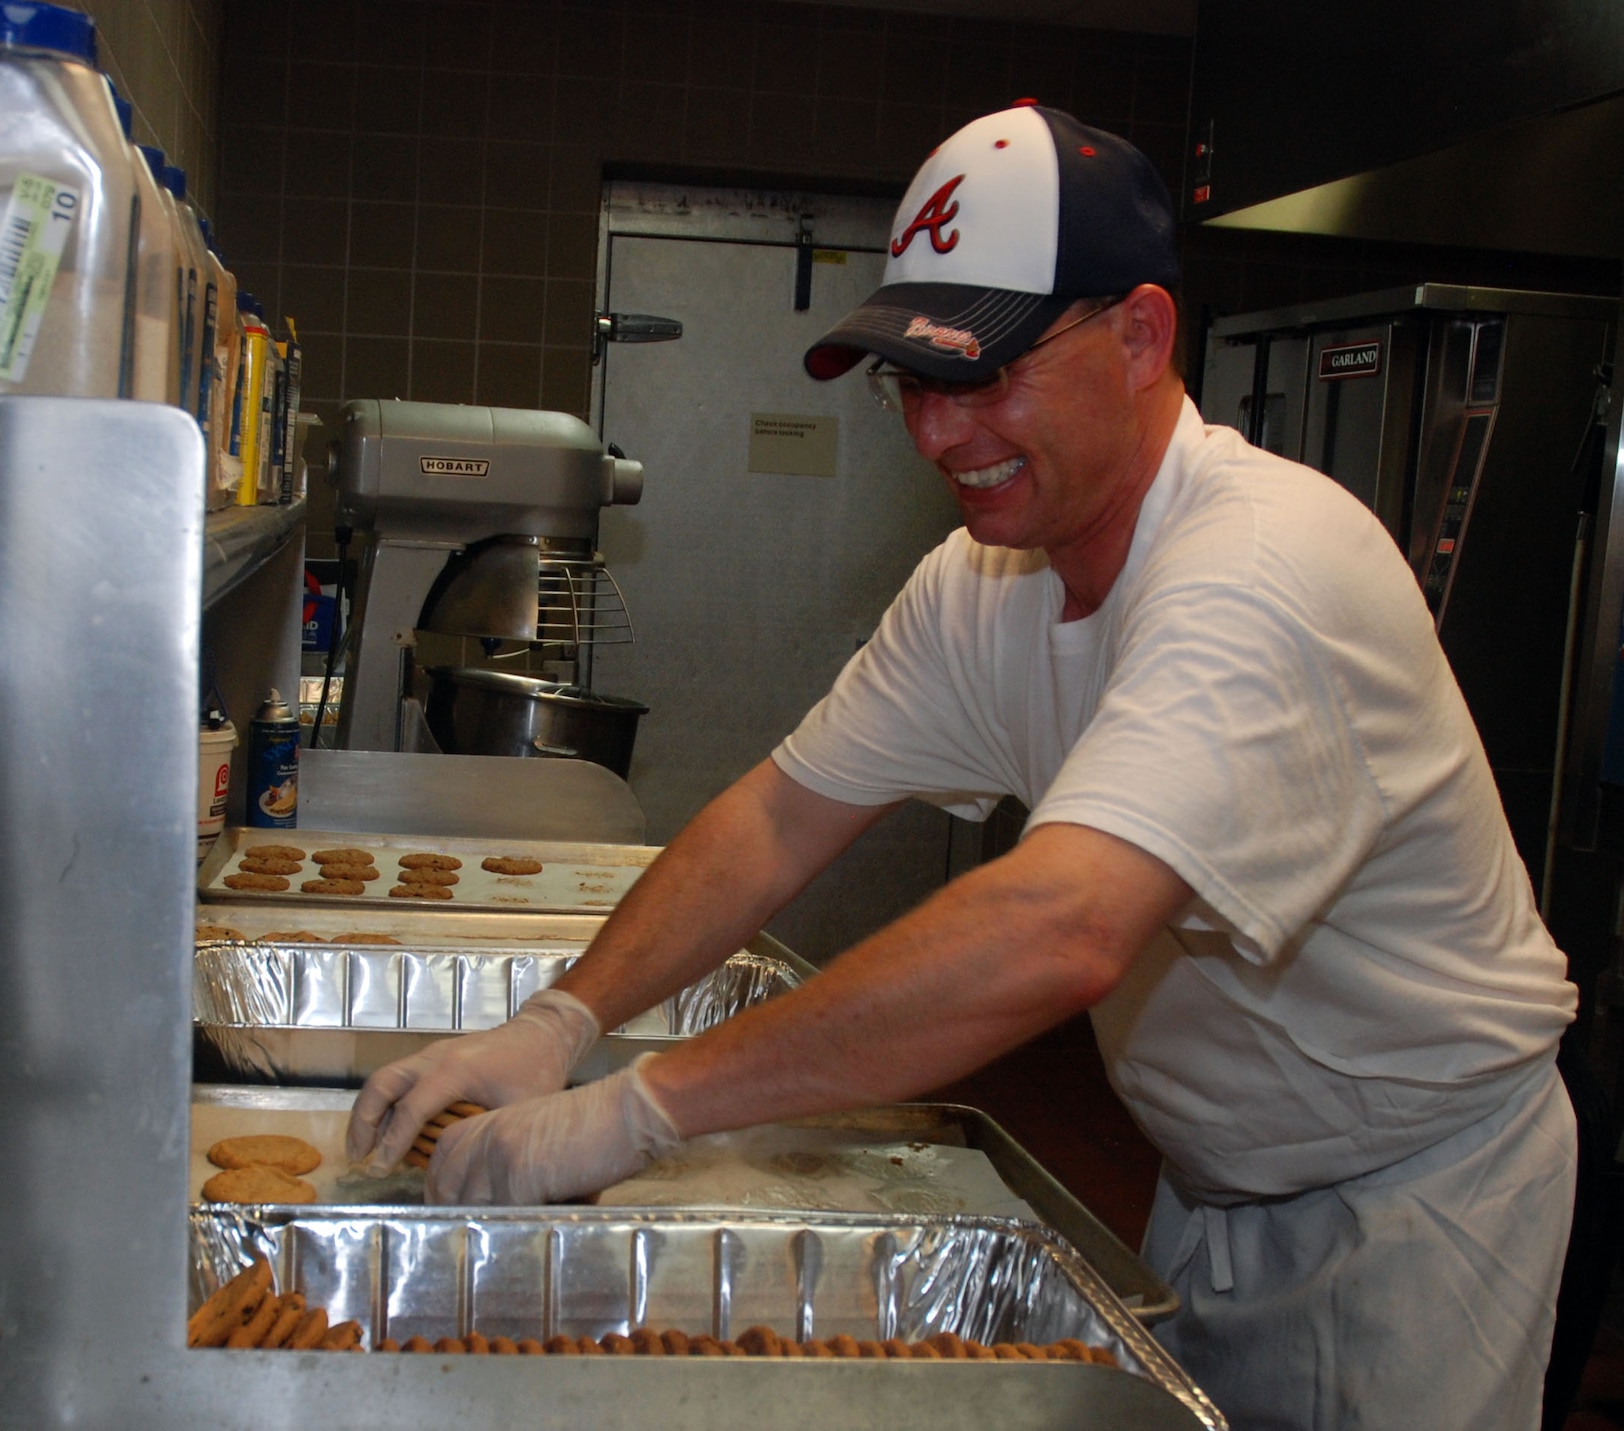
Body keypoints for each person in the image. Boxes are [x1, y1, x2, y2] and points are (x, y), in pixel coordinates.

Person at [347, 103, 1578, 1429]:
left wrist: (634, 1113)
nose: (939, 436)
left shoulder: (1263, 571)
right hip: (1216, 1184)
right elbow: (777, 815)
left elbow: (1055, 933)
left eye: (987, 374)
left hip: (1413, 1205)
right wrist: (559, 1026)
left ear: (1145, 337)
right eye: (916, 383)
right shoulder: (986, 584)